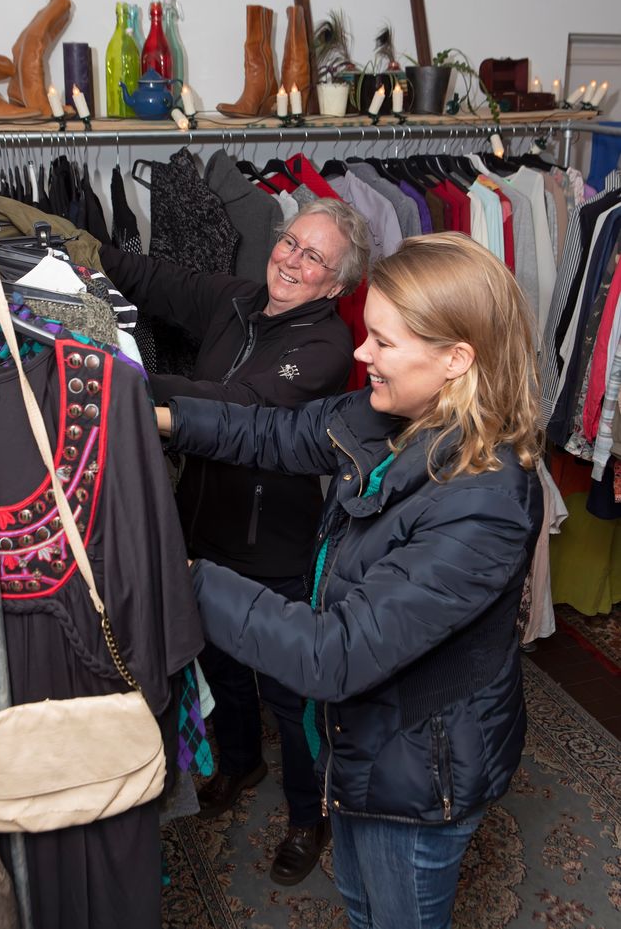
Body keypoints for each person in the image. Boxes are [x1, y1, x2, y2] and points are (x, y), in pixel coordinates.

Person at [156, 233, 544, 928]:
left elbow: (333, 654)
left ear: (456, 359)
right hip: (366, 744)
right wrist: (157, 415)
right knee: (363, 905)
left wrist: (183, 577)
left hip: (420, 775)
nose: (360, 354)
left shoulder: (483, 502)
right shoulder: (390, 413)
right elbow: (271, 434)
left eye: (383, 342)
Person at [98, 198, 370, 885]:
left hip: (274, 543)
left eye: (314, 256)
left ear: (336, 284)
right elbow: (160, 278)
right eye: (289, 241)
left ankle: (310, 815)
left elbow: (239, 405)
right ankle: (242, 760)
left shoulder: (327, 346)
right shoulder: (240, 298)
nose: (290, 258)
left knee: (292, 691)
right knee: (217, 661)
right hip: (201, 522)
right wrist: (86, 257)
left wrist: (127, 383)